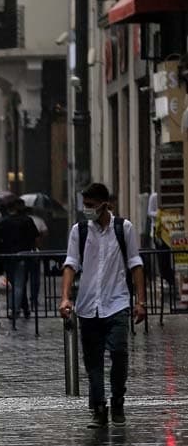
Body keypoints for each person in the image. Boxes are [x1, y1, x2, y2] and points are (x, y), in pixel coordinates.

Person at [60, 182, 146, 429]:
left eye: (90, 205)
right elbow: (71, 263)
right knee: (93, 362)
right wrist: (65, 297)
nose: (86, 210)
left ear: (104, 204)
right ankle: (99, 408)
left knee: (119, 352)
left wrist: (141, 301)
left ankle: (117, 399)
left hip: (117, 302)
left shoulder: (124, 228)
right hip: (88, 306)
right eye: (84, 205)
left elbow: (135, 263)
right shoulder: (80, 231)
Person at [0, 200, 40, 323]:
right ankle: (17, 308)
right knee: (20, 284)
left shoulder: (4, 222)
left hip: (8, 256)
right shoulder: (27, 220)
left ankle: (16, 308)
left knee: (12, 284)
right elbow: (35, 238)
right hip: (23, 256)